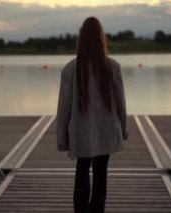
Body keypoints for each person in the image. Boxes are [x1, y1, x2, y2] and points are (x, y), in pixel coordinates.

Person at [56, 16, 128, 213]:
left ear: (81, 39)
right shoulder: (112, 66)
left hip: (81, 133)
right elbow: (121, 102)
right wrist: (124, 127)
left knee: (81, 172)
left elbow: (63, 108)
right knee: (100, 175)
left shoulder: (71, 68)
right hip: (106, 131)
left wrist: (62, 137)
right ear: (100, 38)